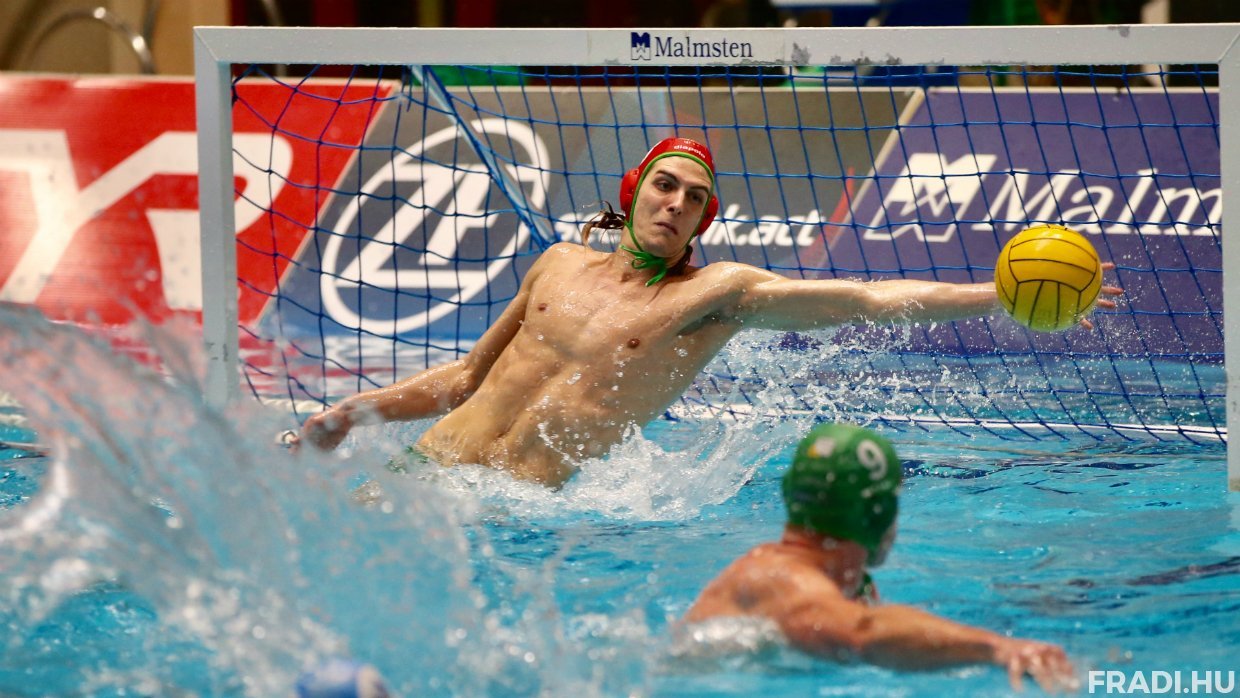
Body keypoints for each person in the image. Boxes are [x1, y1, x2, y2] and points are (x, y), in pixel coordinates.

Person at [296, 137, 1121, 487]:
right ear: (633, 192)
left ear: (702, 221)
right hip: (426, 475)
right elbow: (465, 379)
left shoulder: (713, 297)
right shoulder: (555, 263)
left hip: (520, 510)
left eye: (694, 199)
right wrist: (354, 413)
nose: (677, 203)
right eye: (665, 185)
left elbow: (866, 299)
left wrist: (998, 295)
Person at [679, 423, 1077, 693]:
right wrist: (997, 647)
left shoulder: (815, 579)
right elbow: (863, 634)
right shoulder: (783, 581)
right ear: (879, 513)